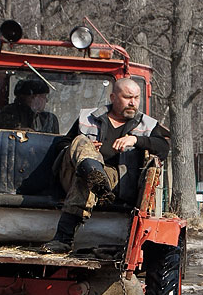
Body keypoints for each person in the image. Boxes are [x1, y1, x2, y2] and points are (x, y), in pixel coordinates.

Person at [43, 77, 170, 253]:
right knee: (81, 145)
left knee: (87, 178)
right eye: (127, 97)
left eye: (136, 97)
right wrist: (82, 149)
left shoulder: (146, 124)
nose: (133, 103)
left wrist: (136, 140)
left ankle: (63, 239)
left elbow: (164, 147)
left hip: (118, 181)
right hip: (77, 174)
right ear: (112, 97)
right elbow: (62, 144)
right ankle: (94, 176)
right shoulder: (87, 118)